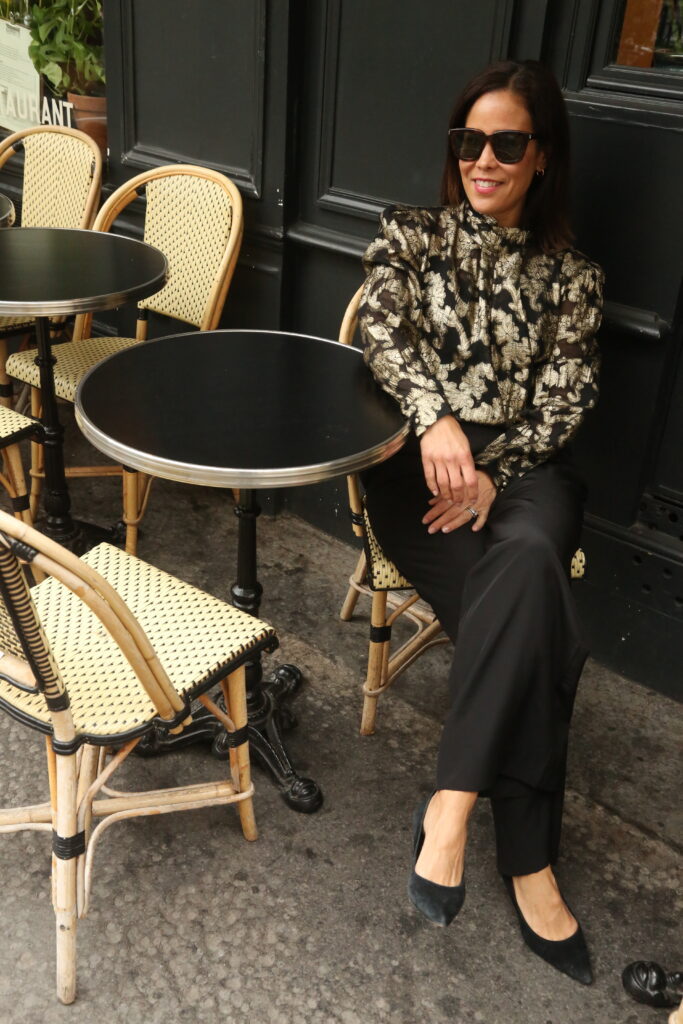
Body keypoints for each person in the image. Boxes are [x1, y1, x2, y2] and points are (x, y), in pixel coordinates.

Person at [358, 59, 604, 985]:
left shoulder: (571, 276)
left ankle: (451, 809)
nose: (484, 159)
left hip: (526, 475)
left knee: (533, 547)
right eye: (471, 141)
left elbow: (566, 400)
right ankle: (530, 863)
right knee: (544, 628)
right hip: (420, 473)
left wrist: (494, 472)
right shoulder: (410, 237)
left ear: (540, 158)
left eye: (507, 143)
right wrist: (436, 417)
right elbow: (379, 331)